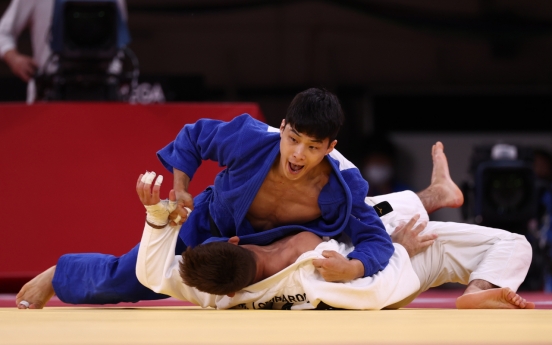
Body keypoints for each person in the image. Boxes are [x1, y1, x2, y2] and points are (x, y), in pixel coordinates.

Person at [17, 142, 533, 310]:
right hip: (363, 248)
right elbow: (376, 281)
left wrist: (163, 209)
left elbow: (154, 264)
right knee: (513, 245)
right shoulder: (309, 276)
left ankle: (435, 199)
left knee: (133, 274)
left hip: (211, 227)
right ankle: (443, 215)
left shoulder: (188, 275)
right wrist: (388, 253)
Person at [16, 88, 395, 308]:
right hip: (208, 225)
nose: (297, 155)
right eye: (293, 139)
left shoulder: (343, 188)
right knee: (128, 279)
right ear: (282, 127)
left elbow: (375, 239)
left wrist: (356, 267)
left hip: (263, 261)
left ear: (331, 147)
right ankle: (59, 274)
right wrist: (182, 188)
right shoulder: (249, 140)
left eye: (313, 147)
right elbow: (194, 137)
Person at [0, 0, 127, 102]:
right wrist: (13, 58)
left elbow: (117, 44)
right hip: (49, 93)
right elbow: (2, 32)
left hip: (102, 93)